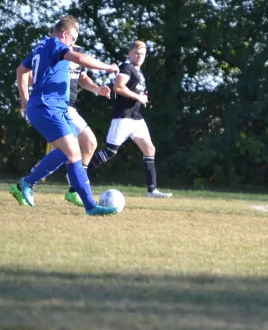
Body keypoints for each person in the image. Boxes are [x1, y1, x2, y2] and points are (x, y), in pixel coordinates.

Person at [9, 15, 119, 216]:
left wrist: (25, 99)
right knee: (71, 151)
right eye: (73, 40)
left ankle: (90, 206)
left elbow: (20, 71)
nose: (73, 45)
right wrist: (108, 67)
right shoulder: (54, 43)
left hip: (55, 106)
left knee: (74, 153)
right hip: (46, 105)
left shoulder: (42, 45)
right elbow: (78, 58)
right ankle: (26, 183)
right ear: (65, 34)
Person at [23, 45, 112, 207]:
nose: (72, 39)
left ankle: (70, 188)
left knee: (73, 149)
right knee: (74, 148)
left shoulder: (76, 52)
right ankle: (30, 183)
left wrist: (98, 89)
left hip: (69, 108)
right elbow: (28, 73)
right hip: (56, 106)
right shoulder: (52, 50)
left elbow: (82, 77)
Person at [88, 40, 172, 198]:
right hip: (123, 117)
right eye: (137, 53)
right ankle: (78, 174)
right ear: (130, 53)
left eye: (143, 54)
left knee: (149, 149)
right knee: (110, 152)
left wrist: (142, 97)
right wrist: (138, 97)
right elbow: (118, 87)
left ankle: (152, 191)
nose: (140, 56)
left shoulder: (138, 71)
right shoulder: (126, 67)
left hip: (136, 117)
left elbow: (136, 91)